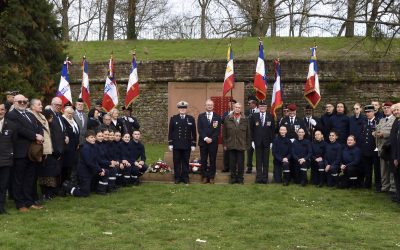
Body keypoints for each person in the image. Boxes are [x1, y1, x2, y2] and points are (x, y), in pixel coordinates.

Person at [6, 94, 44, 211]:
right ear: (14, 103)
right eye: (20, 101)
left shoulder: (29, 114)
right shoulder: (11, 115)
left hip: (32, 152)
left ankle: (29, 201)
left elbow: (38, 126)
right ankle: (20, 204)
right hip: (20, 152)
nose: (22, 103)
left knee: (30, 178)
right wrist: (35, 135)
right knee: (18, 179)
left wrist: (40, 135)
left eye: (24, 101)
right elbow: (19, 129)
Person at [63, 130, 109, 197]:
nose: (93, 139)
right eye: (91, 137)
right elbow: (89, 163)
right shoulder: (85, 148)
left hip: (92, 171)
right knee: (85, 193)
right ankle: (67, 187)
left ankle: (101, 191)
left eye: (94, 137)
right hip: (84, 173)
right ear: (86, 138)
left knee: (106, 172)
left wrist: (100, 170)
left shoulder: (95, 146)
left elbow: (96, 160)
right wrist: (99, 170)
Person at [30, 99, 59, 201]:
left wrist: (47, 149)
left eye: (41, 104)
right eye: (39, 105)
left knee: (46, 172)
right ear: (32, 106)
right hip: (36, 150)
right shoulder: (30, 116)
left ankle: (45, 194)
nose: (41, 106)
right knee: (35, 175)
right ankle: (34, 196)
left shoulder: (42, 116)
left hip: (46, 149)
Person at [168, 101, 197, 184]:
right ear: (178, 109)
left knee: (185, 161)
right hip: (176, 144)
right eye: (181, 108)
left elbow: (194, 132)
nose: (182, 109)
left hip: (187, 144)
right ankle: (177, 177)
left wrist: (193, 144)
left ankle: (185, 177)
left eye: (184, 108)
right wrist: (170, 143)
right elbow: (170, 132)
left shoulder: (191, 118)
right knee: (176, 161)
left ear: (186, 109)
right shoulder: (174, 118)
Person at [222, 102, 251, 184]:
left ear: (241, 109)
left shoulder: (245, 119)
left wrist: (248, 145)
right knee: (232, 163)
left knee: (241, 163)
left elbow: (248, 133)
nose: (237, 109)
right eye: (236, 107)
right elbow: (224, 133)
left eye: (239, 107)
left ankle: (240, 179)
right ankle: (233, 178)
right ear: (233, 108)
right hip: (231, 144)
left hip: (241, 144)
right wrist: (225, 144)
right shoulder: (227, 118)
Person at [197, 99, 221, 184]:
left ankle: (211, 177)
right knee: (203, 160)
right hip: (203, 142)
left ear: (213, 106)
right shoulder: (200, 116)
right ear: (205, 106)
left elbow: (217, 130)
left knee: (212, 160)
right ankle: (204, 176)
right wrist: (205, 138)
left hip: (213, 143)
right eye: (208, 105)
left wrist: (212, 139)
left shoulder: (217, 117)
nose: (209, 106)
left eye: (211, 105)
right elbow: (200, 129)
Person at [250, 100, 274, 184]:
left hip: (267, 142)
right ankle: (259, 177)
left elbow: (272, 130)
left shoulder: (270, 116)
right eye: (261, 106)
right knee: (258, 160)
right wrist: (252, 141)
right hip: (257, 141)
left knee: (266, 160)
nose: (262, 108)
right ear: (258, 107)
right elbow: (251, 129)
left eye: (264, 106)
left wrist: (272, 142)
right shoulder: (254, 116)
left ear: (266, 108)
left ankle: (265, 178)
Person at [375, 102, 396, 193]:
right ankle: (385, 186)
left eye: (388, 107)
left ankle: (393, 188)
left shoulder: (395, 119)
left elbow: (393, 132)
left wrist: (383, 134)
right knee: (383, 169)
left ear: (391, 109)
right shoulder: (382, 120)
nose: (386, 109)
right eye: (384, 108)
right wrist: (375, 133)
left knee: (391, 169)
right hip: (382, 148)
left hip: (391, 148)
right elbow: (376, 129)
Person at [0, 102, 17, 214]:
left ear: (5, 111)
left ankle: (1, 207)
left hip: (5, 160)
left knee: (3, 185)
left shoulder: (11, 125)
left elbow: (14, 142)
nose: (0, 112)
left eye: (2, 109)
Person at [360, 104, 380, 191]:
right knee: (367, 168)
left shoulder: (378, 122)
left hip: (375, 149)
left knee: (376, 169)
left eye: (369, 112)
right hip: (365, 149)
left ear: (374, 112)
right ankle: (367, 184)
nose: (367, 114)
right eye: (366, 112)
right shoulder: (364, 122)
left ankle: (378, 185)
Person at [61, 106, 80, 186]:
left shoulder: (73, 120)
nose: (70, 115)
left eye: (72, 113)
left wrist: (77, 142)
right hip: (67, 148)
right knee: (66, 167)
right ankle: (64, 185)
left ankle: (70, 183)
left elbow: (76, 132)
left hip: (74, 147)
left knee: (72, 166)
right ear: (64, 112)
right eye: (68, 113)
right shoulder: (62, 120)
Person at [222, 98, 236, 173]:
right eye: (230, 104)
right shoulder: (225, 113)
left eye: (233, 104)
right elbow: (222, 121)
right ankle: (226, 167)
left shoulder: (237, 113)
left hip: (235, 135)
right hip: (227, 135)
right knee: (226, 152)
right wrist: (228, 115)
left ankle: (233, 167)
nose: (231, 105)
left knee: (233, 152)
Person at [245, 97, 259, 174]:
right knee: (249, 152)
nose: (248, 105)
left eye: (249, 103)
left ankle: (259, 167)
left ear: (254, 103)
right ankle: (249, 167)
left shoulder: (259, 111)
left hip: (258, 136)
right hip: (250, 136)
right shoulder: (247, 112)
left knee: (258, 153)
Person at [389, 103, 400, 203]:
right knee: (396, 176)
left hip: (398, 155)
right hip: (394, 154)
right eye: (395, 110)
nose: (396, 112)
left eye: (398, 110)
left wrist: (397, 158)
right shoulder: (396, 121)